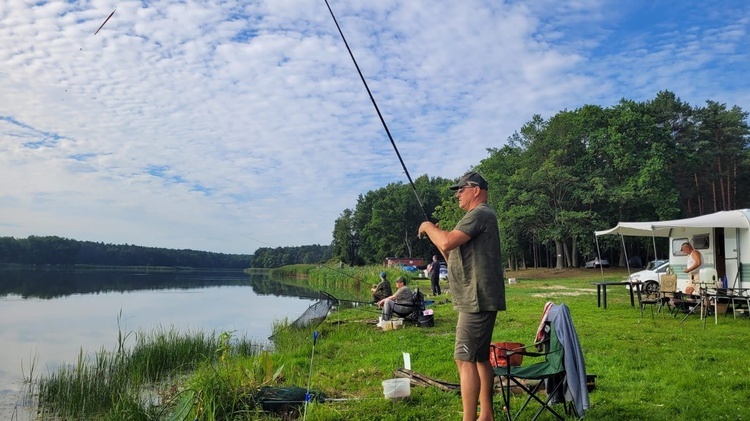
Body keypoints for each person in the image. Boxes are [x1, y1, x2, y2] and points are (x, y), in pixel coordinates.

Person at [418, 171, 505, 421]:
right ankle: (486, 415)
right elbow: (451, 253)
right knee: (478, 358)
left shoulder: (479, 213)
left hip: (476, 300)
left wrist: (428, 227)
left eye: (461, 189)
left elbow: (446, 242)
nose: (458, 194)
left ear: (475, 190)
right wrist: (439, 238)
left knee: (464, 359)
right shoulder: (478, 217)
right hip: (478, 298)